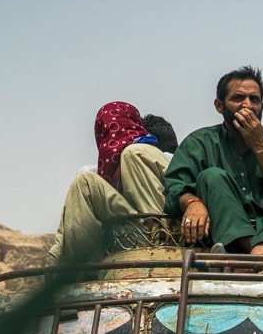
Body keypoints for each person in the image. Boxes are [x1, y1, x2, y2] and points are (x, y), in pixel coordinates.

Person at [162, 67, 263, 254]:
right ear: (219, 105)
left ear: (262, 106)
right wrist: (192, 203)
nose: (247, 105)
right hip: (220, 239)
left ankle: (257, 254)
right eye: (238, 98)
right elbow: (175, 188)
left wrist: (260, 146)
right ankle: (253, 254)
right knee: (211, 176)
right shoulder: (199, 142)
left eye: (254, 99)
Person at [50, 102, 172, 264]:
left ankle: (159, 238)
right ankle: (77, 268)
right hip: (125, 240)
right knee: (83, 182)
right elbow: (68, 221)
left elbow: (182, 189)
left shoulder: (156, 156)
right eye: (107, 129)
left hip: (169, 237)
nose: (114, 133)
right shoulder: (95, 175)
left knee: (133, 154)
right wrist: (54, 257)